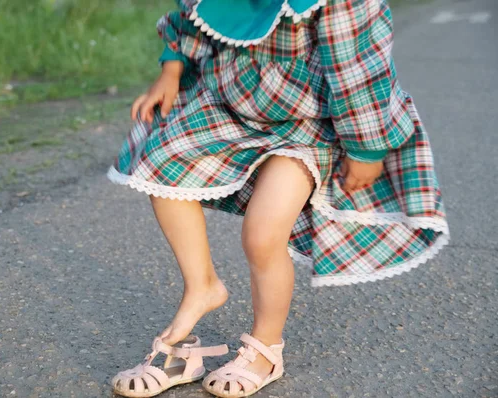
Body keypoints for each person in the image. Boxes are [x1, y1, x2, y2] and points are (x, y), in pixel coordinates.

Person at [107, 0, 449, 396]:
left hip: (309, 121)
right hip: (231, 105)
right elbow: (189, 17)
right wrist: (171, 70)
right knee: (163, 160)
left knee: (263, 235)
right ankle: (202, 286)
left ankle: (266, 346)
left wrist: (366, 149)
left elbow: (357, 68)